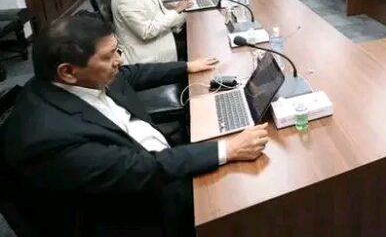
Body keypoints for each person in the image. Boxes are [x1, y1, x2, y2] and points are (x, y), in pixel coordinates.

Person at [0, 16, 269, 235]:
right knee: (246, 198)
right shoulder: (48, 137)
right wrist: (226, 150)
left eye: (117, 50)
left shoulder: (81, 77)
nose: (119, 60)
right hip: (134, 210)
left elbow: (132, 73)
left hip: (155, 162)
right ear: (68, 71)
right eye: (109, 56)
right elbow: (140, 169)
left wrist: (187, 66)